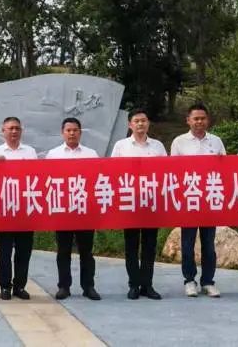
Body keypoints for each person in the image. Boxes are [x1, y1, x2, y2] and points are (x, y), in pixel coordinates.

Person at [170, 102, 226, 298]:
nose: (199, 122)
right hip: (189, 199)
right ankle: (189, 280)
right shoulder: (179, 142)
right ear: (188, 120)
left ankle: (208, 281)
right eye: (196, 118)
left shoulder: (216, 141)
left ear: (207, 120)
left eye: (202, 118)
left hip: (210, 199)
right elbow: (172, 171)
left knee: (209, 244)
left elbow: (225, 169)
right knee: (187, 243)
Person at [110, 108, 165, 300]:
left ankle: (147, 285)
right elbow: (113, 172)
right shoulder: (121, 146)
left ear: (148, 123)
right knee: (131, 245)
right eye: (136, 121)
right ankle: (133, 284)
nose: (140, 124)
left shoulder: (158, 146)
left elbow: (166, 172)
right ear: (130, 124)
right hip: (130, 202)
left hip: (152, 202)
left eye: (143, 120)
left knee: (150, 245)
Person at [47, 117, 101, 300]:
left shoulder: (91, 154)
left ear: (80, 132)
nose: (72, 133)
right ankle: (64, 286)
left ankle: (88, 287)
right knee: (63, 251)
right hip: (62, 210)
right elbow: (47, 181)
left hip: (85, 209)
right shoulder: (53, 154)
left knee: (86, 252)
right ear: (62, 133)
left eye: (75, 130)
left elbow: (97, 179)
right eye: (68, 130)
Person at [0, 116, 37, 300]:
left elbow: (37, 176)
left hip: (25, 208)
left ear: (21, 130)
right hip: (5, 209)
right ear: (3, 131)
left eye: (17, 128)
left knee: (24, 251)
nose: (14, 131)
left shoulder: (30, 152)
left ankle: (20, 286)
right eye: (10, 128)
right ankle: (5, 286)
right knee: (4, 251)